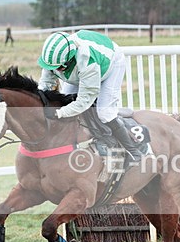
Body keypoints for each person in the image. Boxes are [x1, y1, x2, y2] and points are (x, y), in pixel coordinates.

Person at [37, 30, 145, 162]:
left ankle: (134, 151)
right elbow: (45, 84)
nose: (54, 71)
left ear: (69, 60)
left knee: (104, 112)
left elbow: (84, 101)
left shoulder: (87, 61)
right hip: (82, 69)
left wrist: (59, 113)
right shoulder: (52, 60)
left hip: (111, 63)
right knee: (66, 101)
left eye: (58, 68)